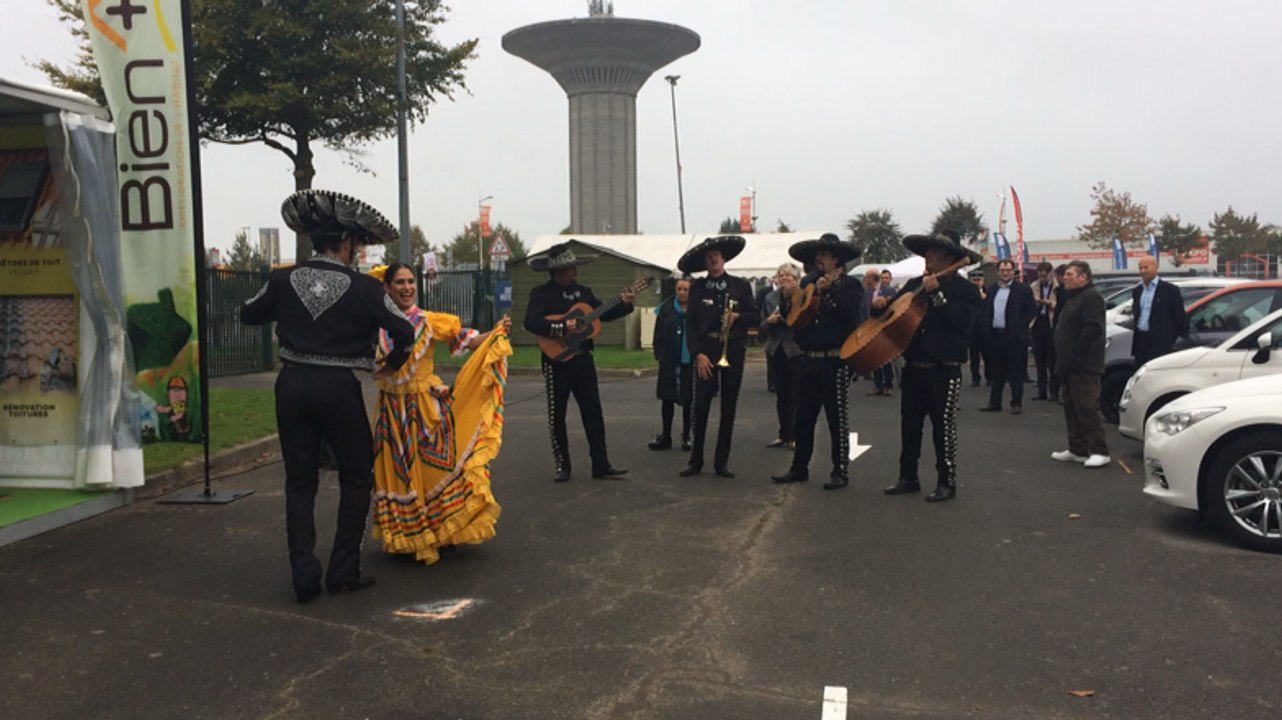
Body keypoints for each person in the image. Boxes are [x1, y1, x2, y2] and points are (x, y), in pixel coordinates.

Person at [241, 189, 415, 604]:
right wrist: (392, 363)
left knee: (300, 481)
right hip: (339, 387)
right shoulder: (364, 288)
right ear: (346, 244)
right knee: (357, 477)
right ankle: (342, 570)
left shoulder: (283, 278)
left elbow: (248, 313)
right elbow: (405, 330)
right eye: (356, 245)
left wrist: (285, 309)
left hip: (293, 384)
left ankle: (304, 577)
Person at [370, 262, 512, 564]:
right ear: (387, 287)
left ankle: (441, 530)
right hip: (391, 411)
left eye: (410, 282)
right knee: (398, 473)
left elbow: (467, 339)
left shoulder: (429, 321)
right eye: (400, 282)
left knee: (434, 469)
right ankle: (409, 534)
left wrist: (495, 333)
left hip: (424, 409)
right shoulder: (376, 324)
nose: (407, 287)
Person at [881, 230, 983, 502]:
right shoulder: (914, 284)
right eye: (927, 252)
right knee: (910, 425)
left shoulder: (967, 290)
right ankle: (907, 477)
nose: (928, 257)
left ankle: (946, 481)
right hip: (915, 365)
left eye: (935, 253)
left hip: (945, 367)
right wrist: (878, 308)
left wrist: (937, 295)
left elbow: (962, 326)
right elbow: (893, 313)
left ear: (950, 258)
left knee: (943, 427)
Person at [523, 242, 635, 482]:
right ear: (559, 271)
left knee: (593, 412)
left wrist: (624, 304)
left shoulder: (584, 292)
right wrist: (562, 326)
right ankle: (563, 465)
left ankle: (601, 464)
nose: (575, 272)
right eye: (570, 268)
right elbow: (531, 322)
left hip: (583, 360)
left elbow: (601, 313)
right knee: (557, 415)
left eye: (574, 267)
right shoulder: (542, 294)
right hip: (557, 362)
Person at [770, 234, 863, 489]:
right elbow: (792, 320)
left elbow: (852, 315)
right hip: (808, 359)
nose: (817, 259)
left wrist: (829, 290)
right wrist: (788, 299)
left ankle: (840, 470)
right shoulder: (807, 282)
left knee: (837, 419)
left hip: (835, 360)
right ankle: (799, 467)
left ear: (836, 260)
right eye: (817, 255)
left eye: (823, 255)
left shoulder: (850, 286)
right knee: (803, 417)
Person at [678, 235, 760, 478]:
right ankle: (696, 460)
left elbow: (755, 316)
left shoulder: (740, 286)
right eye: (709, 257)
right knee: (700, 405)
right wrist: (697, 354)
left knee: (728, 406)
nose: (713, 259)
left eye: (716, 255)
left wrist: (738, 318)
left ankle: (721, 461)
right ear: (705, 262)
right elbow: (690, 326)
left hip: (732, 348)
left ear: (724, 259)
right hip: (706, 349)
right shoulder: (698, 288)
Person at [1051, 260, 1110, 468]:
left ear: (1083, 276)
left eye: (1069, 274)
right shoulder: (1073, 297)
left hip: (1084, 365)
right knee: (1071, 407)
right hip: (1068, 364)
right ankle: (1077, 448)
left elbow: (1093, 329)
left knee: (1087, 407)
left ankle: (1099, 450)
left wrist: (1077, 355)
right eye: (1065, 274)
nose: (1065, 278)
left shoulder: (1091, 297)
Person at [978, 258, 1036, 415]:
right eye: (1002, 270)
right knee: (996, 372)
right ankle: (994, 402)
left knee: (1015, 372)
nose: (1005, 273)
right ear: (998, 272)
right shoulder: (992, 290)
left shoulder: (1022, 290)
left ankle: (1016, 403)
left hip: (1015, 338)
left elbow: (1031, 310)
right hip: (996, 336)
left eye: (1008, 270)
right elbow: (986, 311)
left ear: (1013, 271)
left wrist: (1021, 326)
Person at [760, 263, 803, 449]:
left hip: (794, 350)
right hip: (775, 349)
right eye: (781, 275)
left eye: (789, 276)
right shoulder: (770, 297)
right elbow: (767, 321)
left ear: (796, 279)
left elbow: (794, 320)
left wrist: (780, 319)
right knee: (781, 394)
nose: (784, 278)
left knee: (795, 394)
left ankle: (795, 435)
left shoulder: (802, 296)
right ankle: (783, 433)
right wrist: (770, 321)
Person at [649, 274, 694, 451]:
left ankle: (686, 437)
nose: (682, 293)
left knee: (688, 399)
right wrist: (659, 354)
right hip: (669, 359)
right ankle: (666, 436)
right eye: (679, 289)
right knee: (667, 398)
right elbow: (658, 332)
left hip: (689, 360)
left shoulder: (696, 309)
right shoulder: (666, 308)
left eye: (686, 289)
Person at [1130, 256, 1186, 368]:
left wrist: (1169, 340)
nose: (1142, 271)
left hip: (1160, 344)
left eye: (1146, 267)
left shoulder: (1170, 290)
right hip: (1141, 342)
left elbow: (1179, 318)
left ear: (1156, 267)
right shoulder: (1138, 290)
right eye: (1140, 268)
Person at [863, 268, 897, 396]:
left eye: (867, 278)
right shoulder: (867, 292)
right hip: (870, 327)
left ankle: (888, 385)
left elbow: (894, 307)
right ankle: (878, 385)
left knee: (885, 357)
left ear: (873, 278)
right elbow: (864, 309)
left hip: (884, 327)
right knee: (874, 357)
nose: (865, 280)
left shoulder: (889, 291)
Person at [1029, 261, 1059, 401]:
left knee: (1052, 360)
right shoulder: (1034, 286)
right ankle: (1042, 391)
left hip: (1051, 323)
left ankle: (1054, 392)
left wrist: (1050, 303)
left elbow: (1060, 304)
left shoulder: (1057, 286)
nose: (1042, 279)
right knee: (1039, 359)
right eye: (1040, 276)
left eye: (1044, 276)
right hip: (1038, 322)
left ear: (1050, 273)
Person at [966, 268, 989, 387]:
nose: (976, 282)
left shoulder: (988, 291)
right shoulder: (967, 294)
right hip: (972, 329)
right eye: (974, 280)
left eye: (978, 280)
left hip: (985, 328)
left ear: (983, 281)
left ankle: (989, 377)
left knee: (987, 355)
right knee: (974, 356)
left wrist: (984, 298)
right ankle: (975, 377)